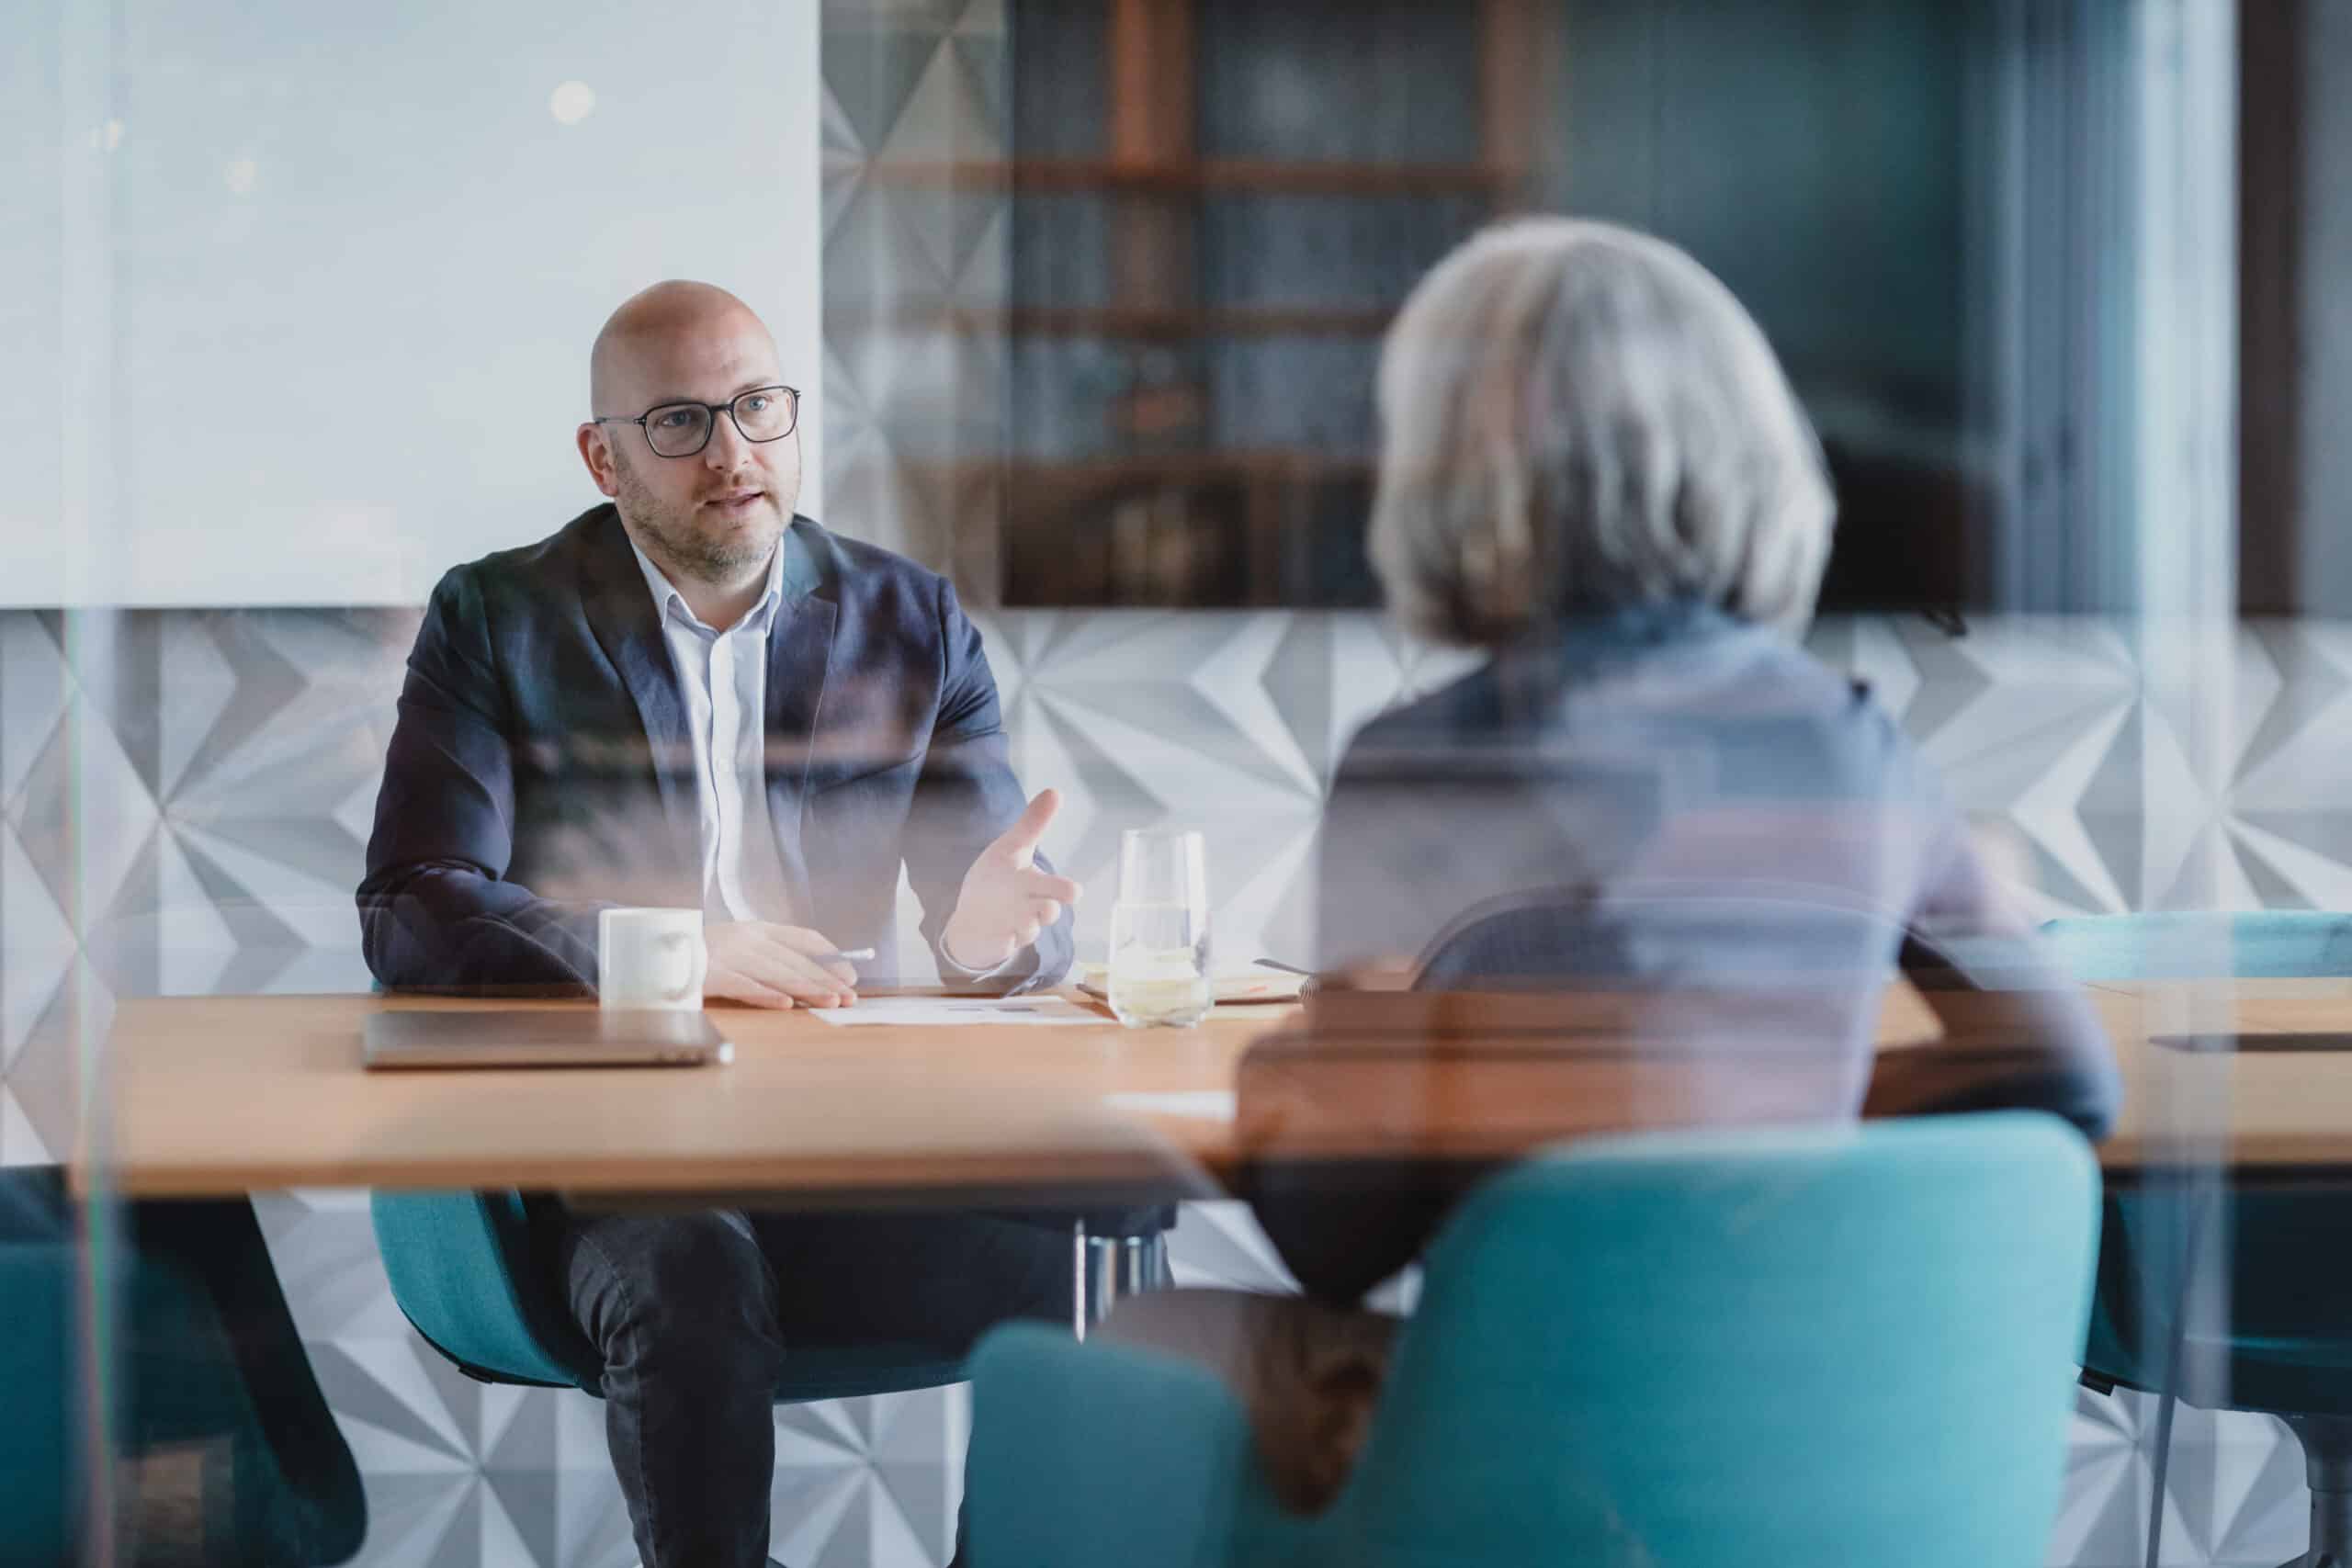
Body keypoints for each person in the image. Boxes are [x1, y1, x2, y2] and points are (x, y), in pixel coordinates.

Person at [1099, 218, 2123, 1512]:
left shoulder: (1425, 764)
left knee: (1138, 1341)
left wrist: (1296, 1063)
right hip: (1796, 1464)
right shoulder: (1857, 744)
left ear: (1456, 474)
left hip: (1519, 1471)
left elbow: (1335, 1240)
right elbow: (2065, 1076)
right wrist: (1777, 1112)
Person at [356, 280, 1081, 1566]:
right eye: (683, 421)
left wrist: (982, 938)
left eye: (756, 406)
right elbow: (415, 908)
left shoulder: (913, 623)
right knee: (691, 1270)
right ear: (606, 457)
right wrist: (673, 952)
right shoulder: (497, 618)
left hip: (845, 1154)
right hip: (607, 1169)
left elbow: (997, 912)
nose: (733, 451)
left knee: (1086, 1271)